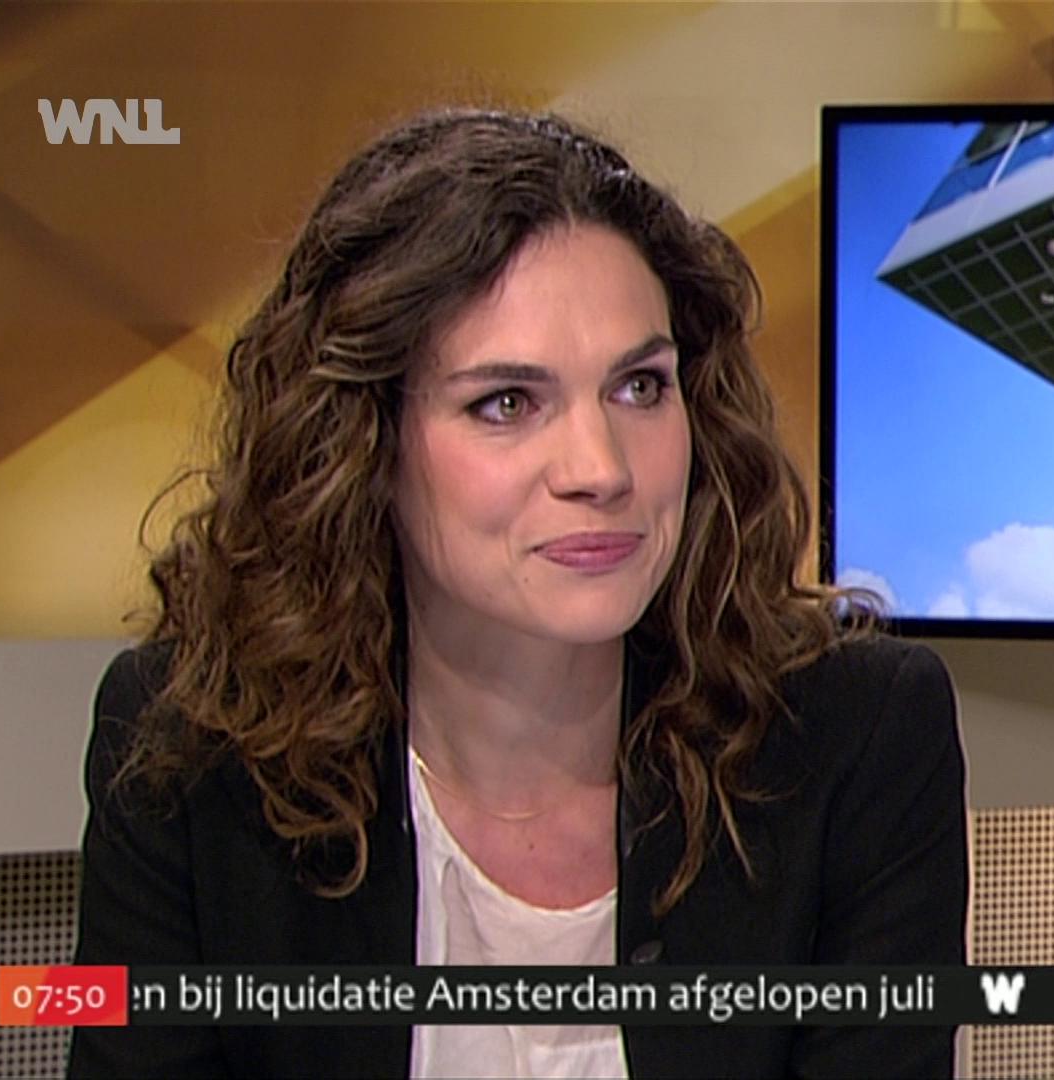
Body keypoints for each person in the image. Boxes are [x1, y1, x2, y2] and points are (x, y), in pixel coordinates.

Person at [68, 108, 968, 1079]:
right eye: (507, 403)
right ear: (364, 443)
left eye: (640, 387)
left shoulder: (858, 738)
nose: (601, 468)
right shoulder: (195, 755)